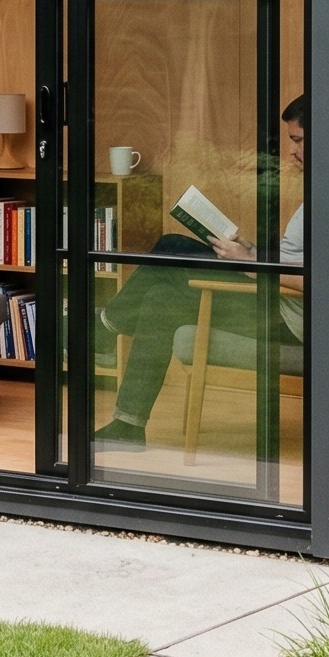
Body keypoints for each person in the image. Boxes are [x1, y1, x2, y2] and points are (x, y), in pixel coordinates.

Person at [97, 95, 305, 449]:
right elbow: (298, 259)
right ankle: (128, 425)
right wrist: (250, 251)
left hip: (287, 315)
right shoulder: (321, 190)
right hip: (270, 292)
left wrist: (251, 264)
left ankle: (104, 327)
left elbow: (326, 279)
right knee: (170, 254)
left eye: (298, 140)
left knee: (169, 260)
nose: (291, 151)